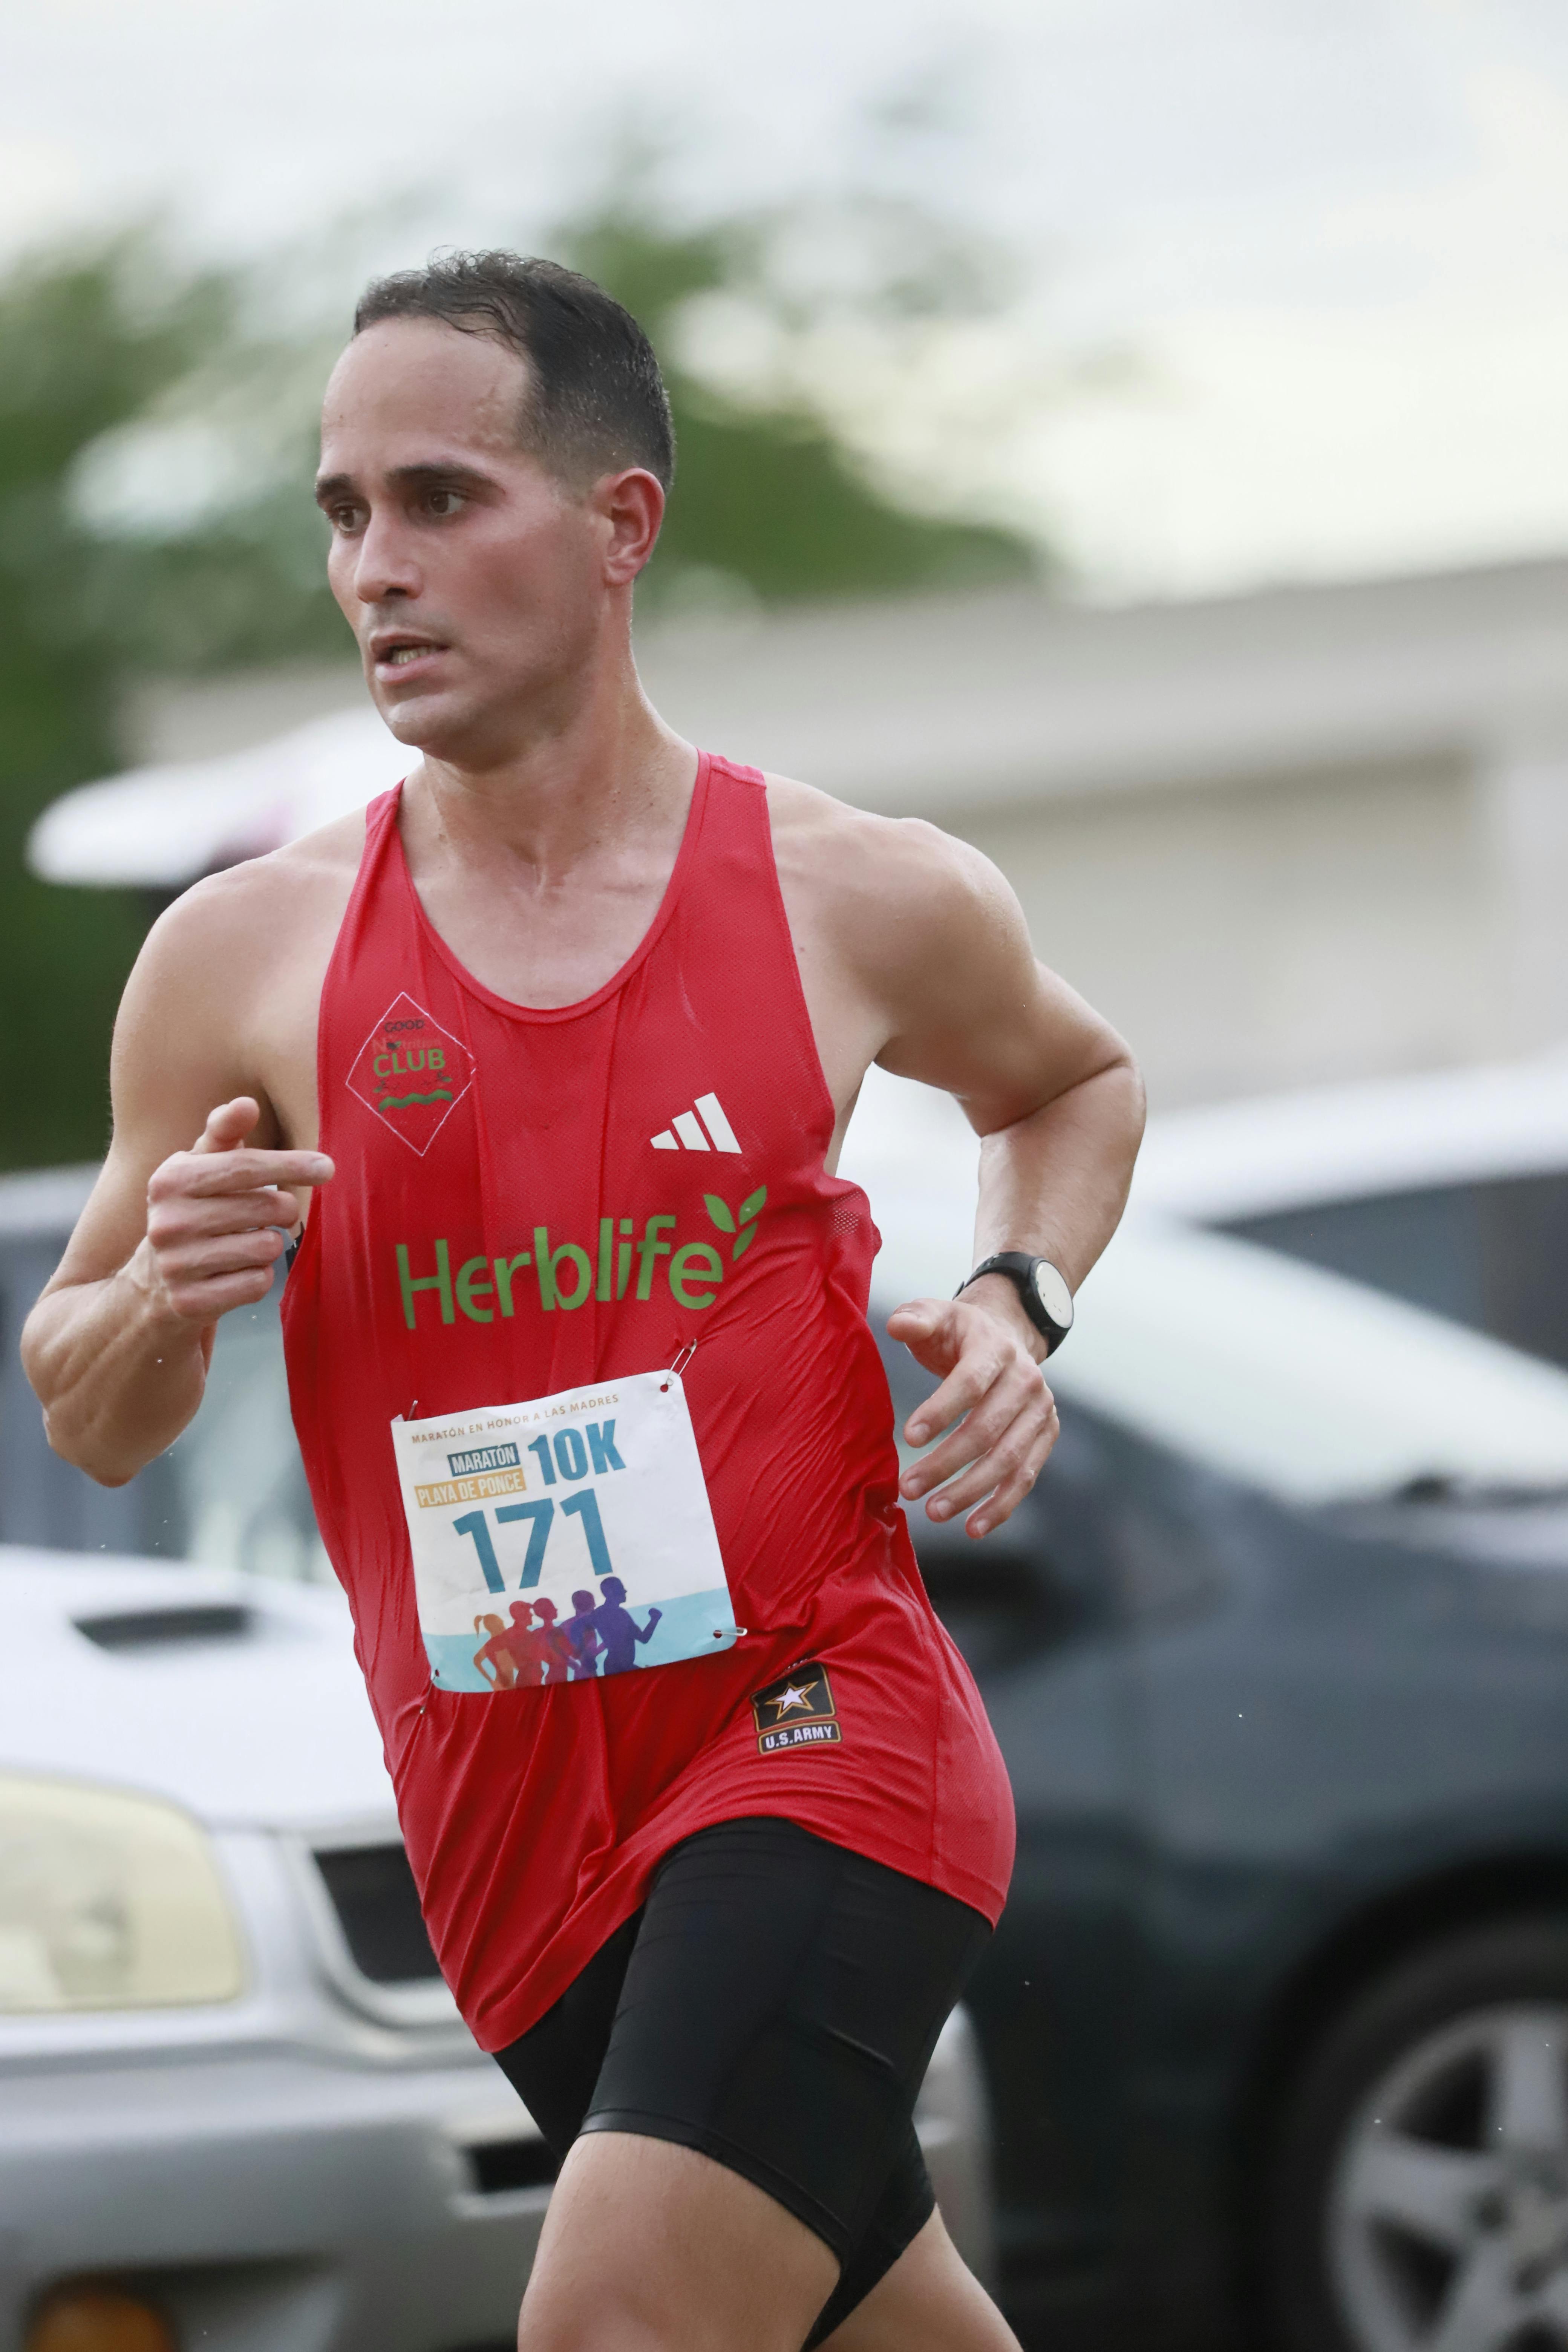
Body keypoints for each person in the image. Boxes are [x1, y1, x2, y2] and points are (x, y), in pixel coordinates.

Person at [21, 252, 1144, 2352]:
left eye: (443, 500)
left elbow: (1072, 1081)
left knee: (616, 2329)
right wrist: (171, 1294)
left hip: (820, 1735)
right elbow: (87, 1404)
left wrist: (1020, 1292)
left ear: (620, 526)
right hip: (512, 1830)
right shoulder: (242, 959)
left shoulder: (850, 886)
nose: (378, 568)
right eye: (344, 514)